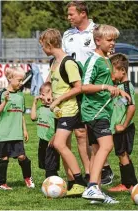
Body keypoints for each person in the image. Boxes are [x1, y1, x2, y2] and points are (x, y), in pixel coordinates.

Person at [80, 24, 131, 204]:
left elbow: (108, 84)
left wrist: (119, 90)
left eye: (114, 40)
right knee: (107, 145)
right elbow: (84, 87)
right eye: (109, 40)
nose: (113, 43)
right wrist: (105, 87)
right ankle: (93, 186)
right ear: (98, 40)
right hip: (94, 112)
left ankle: (96, 193)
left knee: (96, 152)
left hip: (102, 111)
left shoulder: (107, 60)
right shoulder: (93, 60)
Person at [39, 28, 87, 196]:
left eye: (43, 46)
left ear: (50, 44)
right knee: (64, 146)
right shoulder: (54, 62)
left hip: (69, 110)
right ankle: (73, 182)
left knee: (58, 144)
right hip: (59, 112)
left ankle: (80, 182)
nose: (42, 50)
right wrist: (49, 95)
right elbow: (53, 84)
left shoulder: (68, 63)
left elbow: (78, 88)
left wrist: (59, 99)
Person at [62, 0, 94, 183]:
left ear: (83, 13)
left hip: (92, 89)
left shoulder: (97, 32)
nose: (68, 17)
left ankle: (101, 169)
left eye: (71, 14)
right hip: (74, 89)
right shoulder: (68, 34)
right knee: (79, 133)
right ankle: (88, 174)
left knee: (95, 134)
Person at [0, 67, 34, 190]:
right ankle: (2, 184)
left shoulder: (21, 96)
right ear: (10, 79)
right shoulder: (1, 94)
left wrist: (25, 130)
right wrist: (5, 102)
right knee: (4, 158)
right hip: (3, 133)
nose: (21, 83)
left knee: (22, 157)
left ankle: (28, 178)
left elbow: (21, 114)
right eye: (19, 80)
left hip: (16, 134)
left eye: (22, 80)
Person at [107, 53, 137, 193]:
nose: (110, 74)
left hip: (123, 128)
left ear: (122, 71)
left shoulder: (126, 87)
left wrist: (124, 125)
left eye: (112, 71)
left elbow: (131, 106)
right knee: (121, 154)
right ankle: (130, 183)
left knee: (122, 154)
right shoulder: (119, 86)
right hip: (117, 128)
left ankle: (129, 184)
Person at [30, 82, 60, 178]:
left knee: (51, 165)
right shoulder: (41, 108)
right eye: (40, 94)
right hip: (42, 140)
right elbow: (33, 117)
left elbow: (59, 125)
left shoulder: (55, 109)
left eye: (43, 94)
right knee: (44, 163)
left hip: (51, 141)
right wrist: (34, 103)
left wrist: (54, 137)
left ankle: (51, 182)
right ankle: (52, 180)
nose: (40, 97)